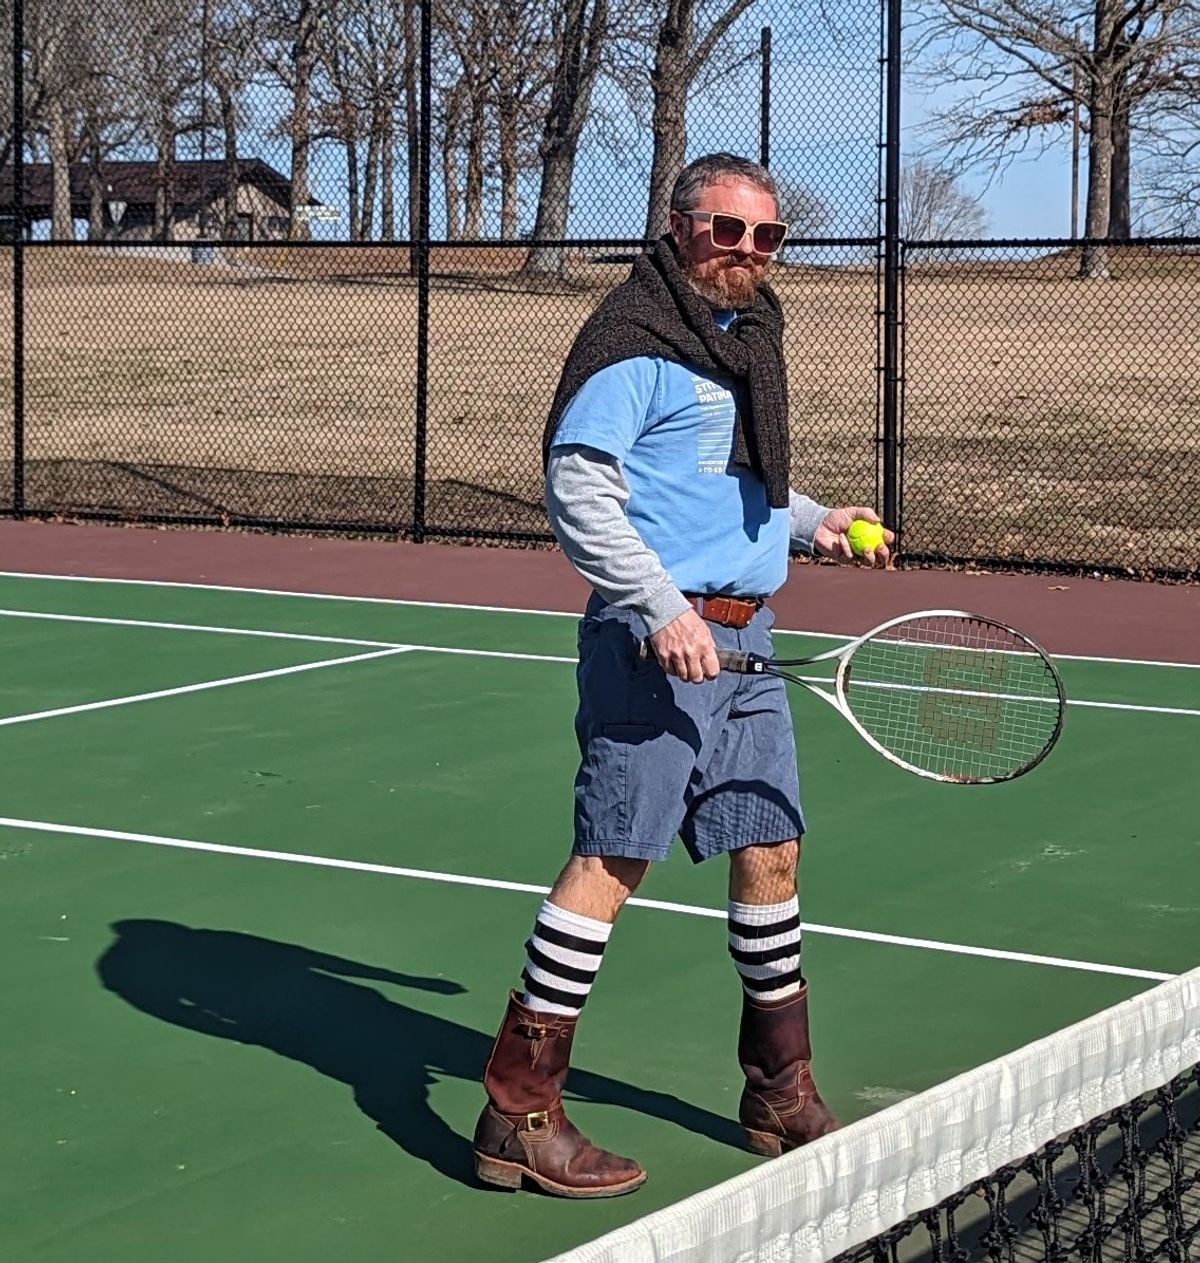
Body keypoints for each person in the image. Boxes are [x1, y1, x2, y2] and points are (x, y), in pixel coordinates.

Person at [473, 153, 894, 1199]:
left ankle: (778, 1090)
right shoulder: (632, 343)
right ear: (677, 228)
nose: (746, 252)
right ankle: (515, 1114)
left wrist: (819, 520)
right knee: (613, 860)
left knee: (770, 849)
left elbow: (731, 484)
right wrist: (660, 608)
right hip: (652, 647)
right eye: (725, 230)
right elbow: (578, 490)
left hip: (748, 647)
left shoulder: (744, 345)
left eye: (766, 237)